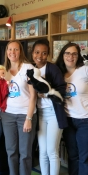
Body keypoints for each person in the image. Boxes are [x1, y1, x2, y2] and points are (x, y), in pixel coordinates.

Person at [31, 39, 67, 175]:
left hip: (54, 114)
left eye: (44, 53)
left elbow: (62, 89)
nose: (40, 56)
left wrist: (46, 95)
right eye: (37, 52)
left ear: (48, 54)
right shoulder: (31, 69)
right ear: (32, 53)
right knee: (43, 150)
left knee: (52, 150)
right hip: (40, 114)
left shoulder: (53, 68)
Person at [1, 40, 37, 175]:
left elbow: (33, 96)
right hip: (8, 115)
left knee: (25, 153)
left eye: (16, 49)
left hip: (25, 115)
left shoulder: (28, 68)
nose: (12, 52)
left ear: (21, 51)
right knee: (11, 152)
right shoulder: (3, 71)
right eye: (10, 49)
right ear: (6, 52)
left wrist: (29, 118)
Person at [56, 42, 88, 175]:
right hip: (67, 120)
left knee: (84, 157)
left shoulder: (84, 70)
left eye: (74, 53)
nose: (71, 56)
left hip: (84, 121)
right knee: (72, 155)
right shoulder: (59, 73)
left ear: (78, 56)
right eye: (67, 53)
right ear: (63, 55)